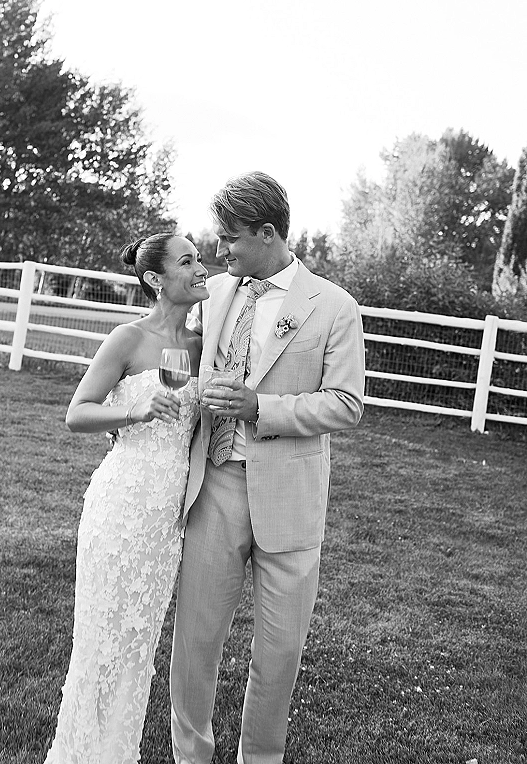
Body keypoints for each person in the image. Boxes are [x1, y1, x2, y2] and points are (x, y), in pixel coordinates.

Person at [169, 172, 365, 764]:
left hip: (291, 496)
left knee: (279, 651)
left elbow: (347, 403)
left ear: (268, 232)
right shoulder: (220, 293)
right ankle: (190, 755)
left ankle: (260, 758)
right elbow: (184, 352)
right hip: (216, 483)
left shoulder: (334, 306)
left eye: (230, 237)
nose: (220, 250)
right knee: (195, 640)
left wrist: (263, 407)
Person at [44, 233, 209, 764]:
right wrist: (133, 413)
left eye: (199, 258)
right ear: (156, 279)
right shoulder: (127, 338)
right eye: (188, 261)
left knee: (138, 652)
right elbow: (77, 413)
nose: (200, 267)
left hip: (166, 525)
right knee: (100, 646)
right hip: (120, 510)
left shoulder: (203, 346)